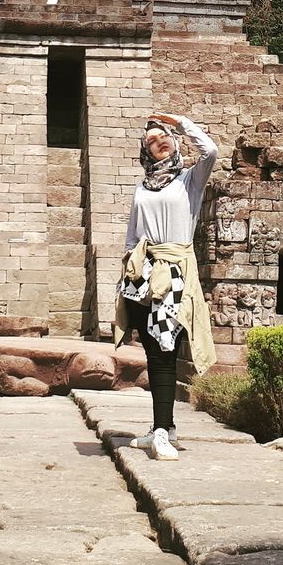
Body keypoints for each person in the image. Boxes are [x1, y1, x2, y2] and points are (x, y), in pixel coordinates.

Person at [113, 111, 217, 461]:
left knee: (164, 349)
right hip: (143, 273)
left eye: (163, 137)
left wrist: (182, 122)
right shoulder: (142, 187)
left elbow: (211, 151)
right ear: (145, 151)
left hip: (173, 273)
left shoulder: (189, 180)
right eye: (151, 141)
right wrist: (129, 269)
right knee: (151, 348)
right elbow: (132, 233)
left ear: (174, 141)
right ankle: (164, 427)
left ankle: (161, 432)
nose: (158, 143)